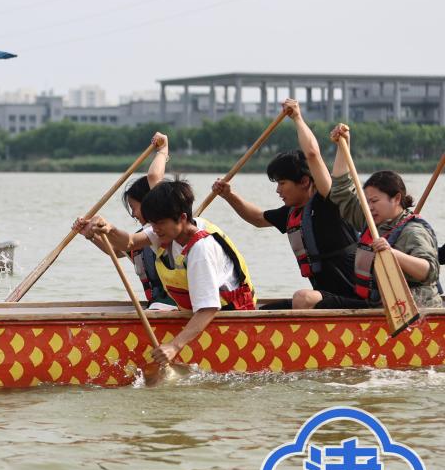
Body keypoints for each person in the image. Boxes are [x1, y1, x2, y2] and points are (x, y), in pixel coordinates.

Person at [78, 180, 256, 365]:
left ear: (182, 218)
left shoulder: (200, 250)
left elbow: (208, 308)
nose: (155, 229)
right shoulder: (165, 231)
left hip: (230, 319)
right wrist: (108, 228)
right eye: (152, 223)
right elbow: (129, 242)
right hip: (197, 315)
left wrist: (174, 346)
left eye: (160, 223)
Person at [210, 99, 358, 309]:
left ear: (304, 181)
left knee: (302, 298)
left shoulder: (329, 201)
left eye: (282, 183)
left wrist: (297, 117)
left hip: (355, 301)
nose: (278, 190)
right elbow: (258, 218)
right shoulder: (292, 213)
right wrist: (228, 195)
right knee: (263, 311)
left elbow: (312, 155)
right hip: (325, 299)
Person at [323, 124, 441, 309]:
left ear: (397, 199)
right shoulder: (371, 221)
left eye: (375, 201)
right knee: (307, 299)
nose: (369, 207)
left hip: (416, 310)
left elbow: (429, 271)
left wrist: (392, 253)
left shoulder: (413, 231)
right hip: (378, 305)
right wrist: (343, 144)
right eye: (367, 201)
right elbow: (341, 191)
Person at [76, 132, 175, 308]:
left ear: (149, 203)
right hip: (158, 305)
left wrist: (163, 151)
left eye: (134, 207)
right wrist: (90, 235)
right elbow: (115, 250)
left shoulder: (164, 232)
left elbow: (154, 179)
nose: (133, 214)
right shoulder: (146, 235)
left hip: (175, 307)